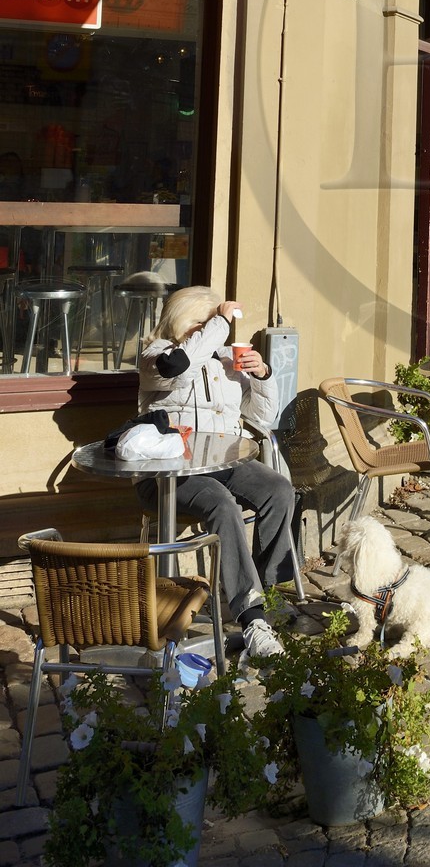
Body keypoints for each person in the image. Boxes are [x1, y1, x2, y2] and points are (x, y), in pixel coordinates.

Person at [137, 285, 296, 664]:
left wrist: (262, 375)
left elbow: (261, 418)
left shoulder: (225, 359)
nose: (209, 332)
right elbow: (177, 367)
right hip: (166, 474)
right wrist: (221, 322)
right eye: (201, 324)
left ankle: (264, 595)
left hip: (222, 463)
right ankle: (252, 619)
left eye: (212, 326)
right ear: (180, 321)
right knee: (222, 505)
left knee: (279, 489)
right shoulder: (155, 355)